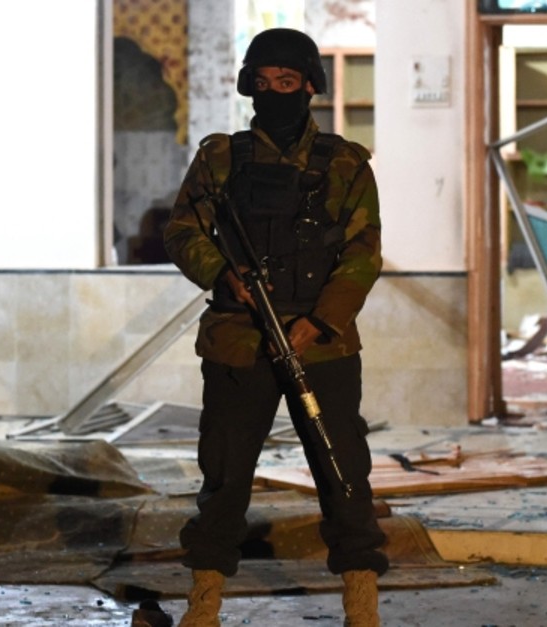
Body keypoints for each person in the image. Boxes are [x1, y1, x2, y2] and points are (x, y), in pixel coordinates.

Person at [163, 28, 387, 627]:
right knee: (226, 477)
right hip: (240, 340)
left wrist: (321, 320)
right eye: (262, 84)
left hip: (322, 345)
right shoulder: (219, 158)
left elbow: (364, 252)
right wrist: (222, 274)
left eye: (286, 83)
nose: (274, 93)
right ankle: (204, 603)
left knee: (344, 476)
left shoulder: (344, 164)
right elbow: (182, 231)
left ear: (311, 86)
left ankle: (362, 604)